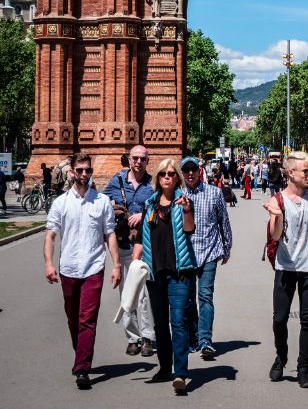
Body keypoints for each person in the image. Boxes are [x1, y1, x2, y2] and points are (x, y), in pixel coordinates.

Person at [44, 153, 121, 389]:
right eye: (80, 170)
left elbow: (110, 234)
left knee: (87, 319)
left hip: (93, 267)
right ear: (72, 173)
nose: (84, 174)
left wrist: (116, 265)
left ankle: (82, 369)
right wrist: (49, 263)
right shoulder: (61, 203)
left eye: (88, 170)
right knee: (72, 318)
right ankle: (82, 354)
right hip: (68, 267)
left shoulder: (101, 202)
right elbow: (50, 235)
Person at [263, 151, 308, 388]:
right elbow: (275, 236)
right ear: (290, 173)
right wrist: (277, 216)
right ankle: (281, 357)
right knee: (279, 319)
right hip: (285, 268)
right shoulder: (277, 200)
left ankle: (304, 367)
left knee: (307, 320)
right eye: (306, 170)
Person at [132, 159, 196, 395]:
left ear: (177, 178)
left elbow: (190, 229)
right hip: (155, 274)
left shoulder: (183, 202)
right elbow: (140, 237)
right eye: (163, 174)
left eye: (171, 174)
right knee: (160, 325)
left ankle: (180, 373)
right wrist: (135, 265)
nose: (167, 177)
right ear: (157, 178)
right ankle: (165, 368)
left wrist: (187, 210)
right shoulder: (149, 205)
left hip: (179, 273)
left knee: (178, 322)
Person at [103, 145, 156, 356]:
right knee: (126, 292)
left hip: (143, 244)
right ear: (129, 159)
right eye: (135, 158)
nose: (138, 162)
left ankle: (147, 338)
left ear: (147, 161)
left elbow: (161, 205)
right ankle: (132, 337)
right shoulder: (116, 182)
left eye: (142, 158)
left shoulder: (152, 184)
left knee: (142, 293)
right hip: (122, 243)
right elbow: (101, 201)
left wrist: (144, 215)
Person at [182, 156, 233, 359]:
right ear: (183, 173)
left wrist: (227, 247)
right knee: (187, 299)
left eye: (194, 169)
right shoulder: (179, 194)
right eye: (187, 170)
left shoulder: (214, 192)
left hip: (209, 251)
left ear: (200, 171)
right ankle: (193, 338)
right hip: (185, 253)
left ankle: (205, 340)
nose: (191, 173)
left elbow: (223, 221)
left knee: (205, 296)